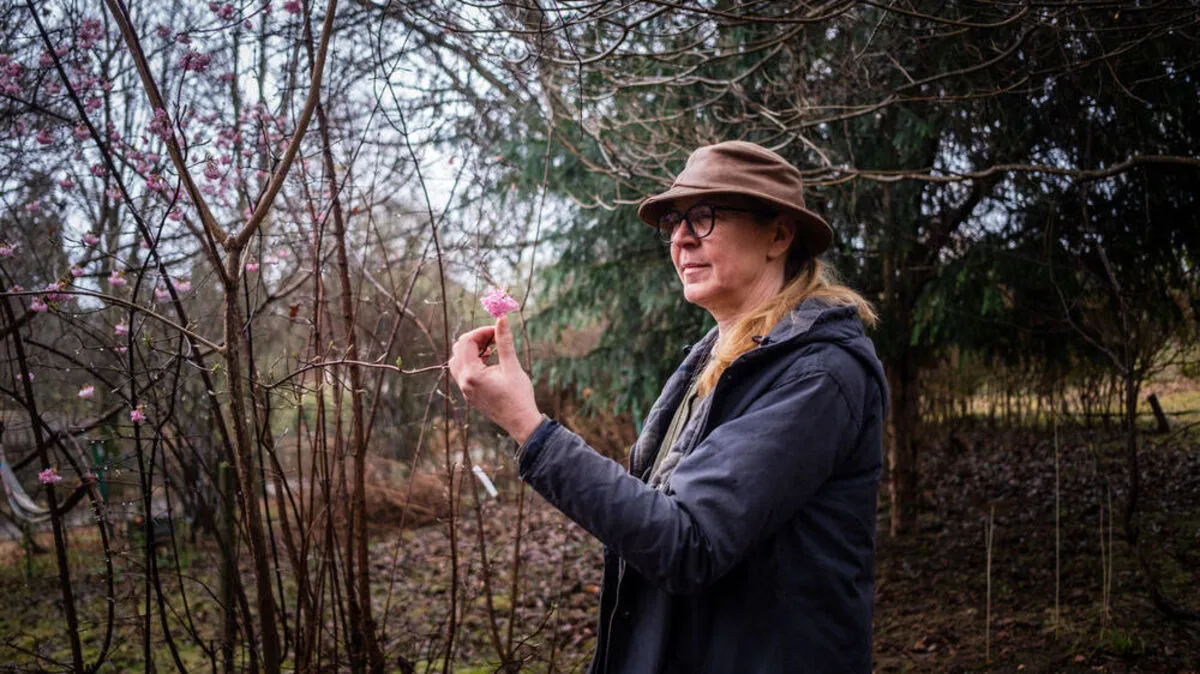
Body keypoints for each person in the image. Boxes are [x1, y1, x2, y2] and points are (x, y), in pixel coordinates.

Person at [449, 140, 888, 673]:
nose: (680, 237)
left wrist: (528, 426)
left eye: (704, 217)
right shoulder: (720, 357)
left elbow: (688, 543)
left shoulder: (816, 375)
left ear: (778, 234)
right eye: (675, 221)